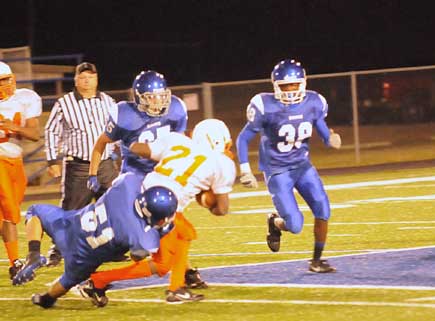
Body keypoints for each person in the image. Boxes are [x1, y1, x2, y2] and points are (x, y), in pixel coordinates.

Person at [78, 119, 236, 305]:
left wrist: (132, 138)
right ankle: (97, 281)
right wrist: (206, 200)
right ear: (218, 141)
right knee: (161, 264)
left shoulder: (178, 140)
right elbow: (222, 209)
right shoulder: (222, 163)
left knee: (184, 233)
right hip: (161, 208)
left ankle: (177, 287)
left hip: (139, 193)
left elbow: (138, 148)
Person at [11, 172, 178, 309]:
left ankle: (33, 253)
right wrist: (160, 230)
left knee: (35, 212)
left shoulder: (128, 184)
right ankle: (46, 299)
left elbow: (124, 181)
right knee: (68, 280)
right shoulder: (142, 236)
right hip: (82, 257)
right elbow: (138, 255)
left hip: (71, 226)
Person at [236, 59, 342, 273]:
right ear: (275, 86)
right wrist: (245, 169)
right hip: (277, 171)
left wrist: (329, 139)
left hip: (302, 166)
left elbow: (321, 128)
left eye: (294, 85)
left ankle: (317, 261)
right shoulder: (265, 106)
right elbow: (243, 138)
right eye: (285, 86)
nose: (291, 90)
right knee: (295, 225)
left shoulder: (313, 102)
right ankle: (275, 223)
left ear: (303, 83)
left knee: (323, 210)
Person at [44, 62, 119, 266]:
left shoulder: (108, 101)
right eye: (83, 77)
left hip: (105, 165)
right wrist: (52, 160)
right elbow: (51, 131)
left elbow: (117, 129)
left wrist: (120, 153)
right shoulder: (64, 103)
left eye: (91, 76)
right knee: (71, 210)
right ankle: (57, 249)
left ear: (97, 79)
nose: (87, 80)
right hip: (78, 166)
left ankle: (114, 247)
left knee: (115, 206)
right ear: (76, 80)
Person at [0, 61, 42, 279]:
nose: (6, 85)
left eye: (8, 79)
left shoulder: (25, 98)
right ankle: (16, 261)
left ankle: (13, 262)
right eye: (1, 81)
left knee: (9, 216)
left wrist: (13, 127)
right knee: (9, 208)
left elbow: (34, 134)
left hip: (15, 161)